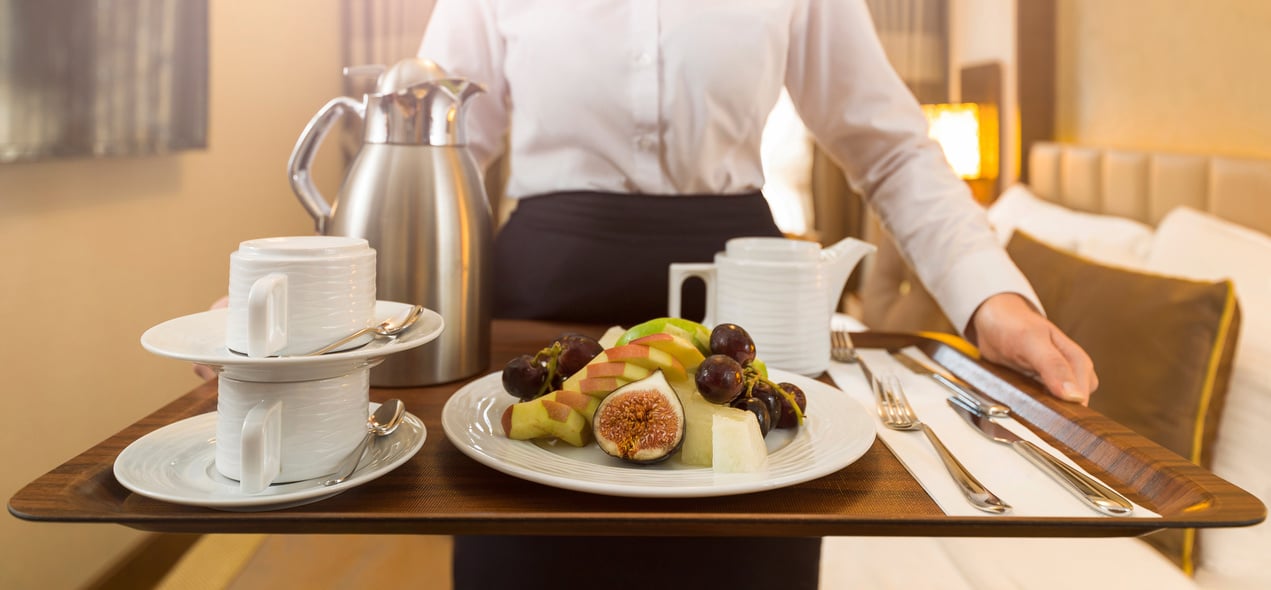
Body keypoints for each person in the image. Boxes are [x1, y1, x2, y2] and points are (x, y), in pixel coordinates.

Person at [418, 1, 1098, 589]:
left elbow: (888, 147)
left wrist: (993, 299)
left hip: (738, 318)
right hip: (537, 315)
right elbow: (432, 149)